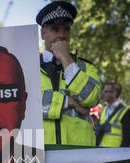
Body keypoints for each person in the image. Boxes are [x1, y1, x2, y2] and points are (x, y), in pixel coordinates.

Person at [38, 1, 100, 147]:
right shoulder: (26, 66)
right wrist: (68, 102)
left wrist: (66, 58)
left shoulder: (86, 67)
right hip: (39, 153)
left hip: (79, 152)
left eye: (66, 29)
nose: (62, 35)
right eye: (55, 29)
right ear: (43, 33)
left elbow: (91, 98)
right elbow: (24, 103)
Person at [97, 82, 130, 147]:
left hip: (116, 153)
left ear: (114, 93)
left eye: (106, 91)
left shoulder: (126, 111)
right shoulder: (103, 110)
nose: (103, 93)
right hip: (101, 150)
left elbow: (127, 137)